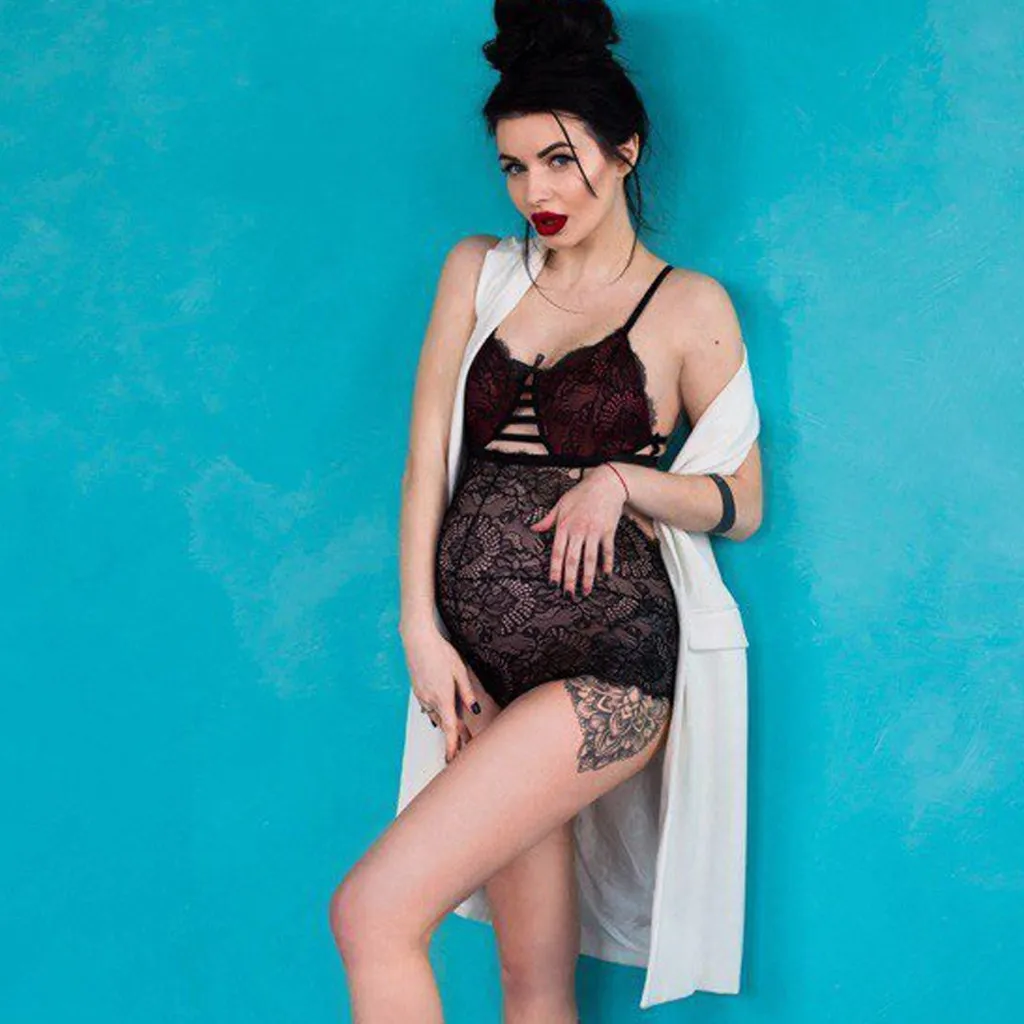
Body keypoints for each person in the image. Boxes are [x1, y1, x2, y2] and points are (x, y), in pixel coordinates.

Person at [329, 1, 764, 1020]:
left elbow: (741, 501)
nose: (537, 192)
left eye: (561, 160)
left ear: (624, 149)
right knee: (532, 981)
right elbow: (423, 466)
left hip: (609, 672)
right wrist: (420, 630)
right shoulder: (478, 272)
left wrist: (623, 480)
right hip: (479, 670)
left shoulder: (688, 305)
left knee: (372, 913)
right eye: (516, 167)